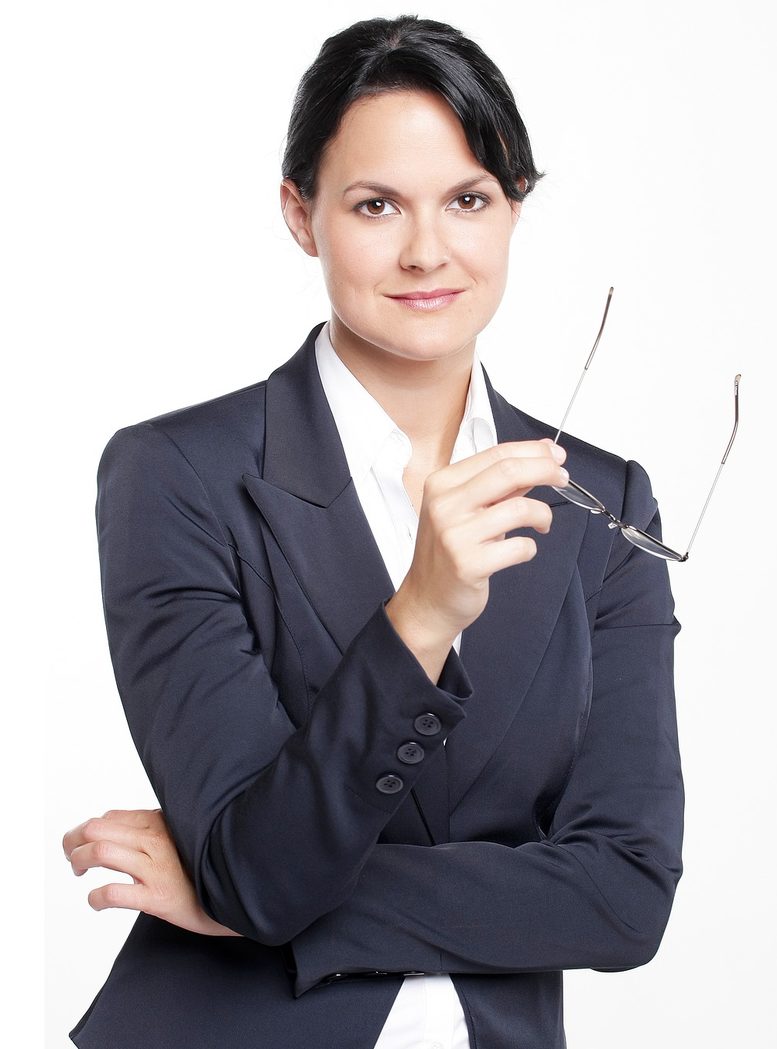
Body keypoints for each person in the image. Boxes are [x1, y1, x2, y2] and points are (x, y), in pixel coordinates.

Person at [62, 14, 684, 1049]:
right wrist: (422, 614)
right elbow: (260, 870)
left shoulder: (603, 504)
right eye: (375, 204)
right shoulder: (177, 476)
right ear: (301, 215)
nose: (426, 250)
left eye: (467, 200)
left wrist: (233, 896)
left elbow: (625, 895)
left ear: (514, 207)